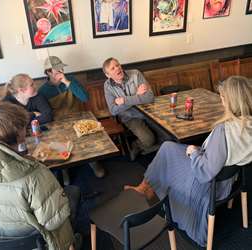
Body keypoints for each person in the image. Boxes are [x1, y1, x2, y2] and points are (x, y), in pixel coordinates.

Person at [124, 76, 252, 247]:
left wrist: (193, 153)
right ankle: (146, 187)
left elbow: (205, 172)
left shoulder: (224, 131)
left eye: (222, 97)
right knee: (169, 147)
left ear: (232, 101)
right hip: (231, 176)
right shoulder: (248, 123)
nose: (221, 101)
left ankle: (147, 188)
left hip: (211, 182)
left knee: (167, 149)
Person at [0, 103, 82, 250]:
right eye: (24, 127)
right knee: (72, 193)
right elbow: (53, 221)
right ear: (20, 133)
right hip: (32, 241)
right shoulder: (34, 173)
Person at [39, 56, 105, 178]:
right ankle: (65, 169)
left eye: (62, 67)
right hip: (58, 121)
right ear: (48, 72)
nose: (61, 71)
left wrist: (67, 82)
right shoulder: (43, 90)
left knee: (86, 138)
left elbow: (85, 98)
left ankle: (94, 162)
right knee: (58, 141)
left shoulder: (71, 79)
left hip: (77, 116)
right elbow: (45, 113)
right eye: (57, 69)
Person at [103, 57, 157, 160]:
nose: (118, 69)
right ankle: (136, 145)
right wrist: (137, 95)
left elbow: (149, 97)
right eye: (112, 68)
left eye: (118, 65)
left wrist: (124, 100)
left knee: (168, 134)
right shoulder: (107, 86)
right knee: (149, 140)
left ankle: (151, 147)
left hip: (149, 112)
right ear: (108, 75)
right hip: (130, 116)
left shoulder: (135, 74)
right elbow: (113, 110)